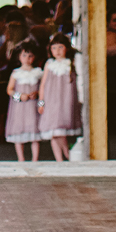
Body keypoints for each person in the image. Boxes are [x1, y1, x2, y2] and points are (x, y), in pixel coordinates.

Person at [38, 33, 82, 161]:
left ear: (66, 48)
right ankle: (60, 160)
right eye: (54, 48)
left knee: (61, 132)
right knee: (54, 132)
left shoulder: (70, 63)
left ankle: (67, 155)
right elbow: (43, 84)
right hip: (51, 102)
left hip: (65, 101)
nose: (57, 51)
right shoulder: (49, 64)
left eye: (60, 47)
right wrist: (41, 102)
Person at [5, 40, 44, 162]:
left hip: (32, 107)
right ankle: (21, 158)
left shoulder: (38, 72)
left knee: (34, 133)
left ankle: (35, 159)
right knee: (19, 134)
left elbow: (43, 88)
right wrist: (19, 96)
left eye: (30, 56)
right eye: (24, 55)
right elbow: (9, 90)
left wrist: (37, 94)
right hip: (19, 107)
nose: (27, 58)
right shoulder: (16, 73)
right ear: (19, 57)